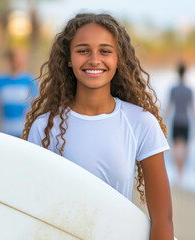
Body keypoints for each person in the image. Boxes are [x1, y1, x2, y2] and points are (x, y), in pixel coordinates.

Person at [22, 13, 173, 239]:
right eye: (83, 50)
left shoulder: (140, 122)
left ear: (118, 59)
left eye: (105, 51)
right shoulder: (44, 127)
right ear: (69, 59)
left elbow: (163, 217)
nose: (94, 60)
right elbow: (30, 208)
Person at [0, 49, 37, 137]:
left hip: (25, 130)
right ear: (10, 60)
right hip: (6, 130)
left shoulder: (30, 80)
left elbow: (36, 105)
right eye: (17, 59)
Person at [166, 62, 195, 183]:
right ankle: (182, 174)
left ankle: (178, 174)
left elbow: (169, 106)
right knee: (186, 148)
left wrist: (163, 120)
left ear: (178, 72)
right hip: (186, 122)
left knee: (176, 148)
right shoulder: (189, 90)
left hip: (176, 121)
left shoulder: (174, 89)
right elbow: (192, 108)